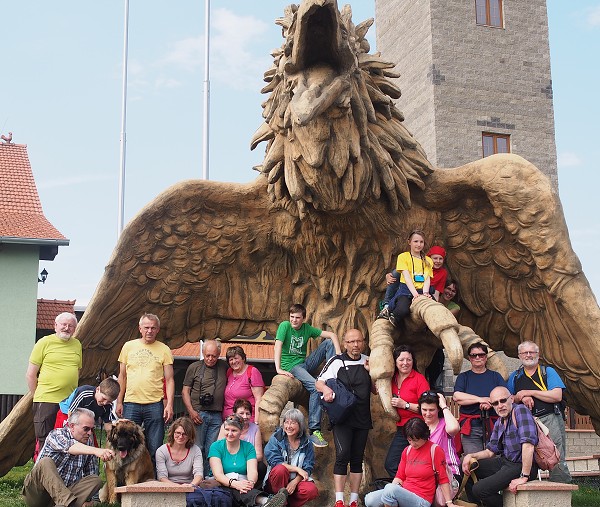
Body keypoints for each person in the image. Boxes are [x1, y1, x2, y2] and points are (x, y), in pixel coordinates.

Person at [316, 329, 373, 507]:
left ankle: (354, 500)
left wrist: (371, 372)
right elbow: (319, 382)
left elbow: (376, 390)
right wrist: (326, 391)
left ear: (363, 342)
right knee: (342, 455)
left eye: (358, 341)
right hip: (343, 418)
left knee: (357, 458)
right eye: (351, 342)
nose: (355, 345)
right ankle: (340, 500)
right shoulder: (336, 361)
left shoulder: (368, 360)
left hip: (363, 417)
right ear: (345, 343)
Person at [274, 303, 341, 448]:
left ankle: (333, 376)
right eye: (292, 317)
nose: (294, 320)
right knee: (316, 387)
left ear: (303, 318)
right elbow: (278, 345)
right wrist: (278, 368)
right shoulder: (285, 326)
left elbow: (332, 335)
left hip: (304, 364)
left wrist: (339, 354)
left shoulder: (307, 329)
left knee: (328, 343)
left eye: (297, 318)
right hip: (291, 367)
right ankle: (315, 430)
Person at [461, 386, 539, 507]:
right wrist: (470, 456)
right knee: (467, 468)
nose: (500, 405)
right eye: (495, 403)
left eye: (503, 400)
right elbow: (490, 451)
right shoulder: (500, 421)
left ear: (511, 399)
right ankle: (477, 505)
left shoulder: (520, 411)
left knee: (479, 490)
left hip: (522, 465)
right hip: (505, 462)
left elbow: (528, 445)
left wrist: (524, 476)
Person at [22, 408, 115, 507]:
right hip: (38, 494)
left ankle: (64, 504)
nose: (90, 433)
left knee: (95, 480)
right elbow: (71, 447)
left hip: (64, 493)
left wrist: (88, 500)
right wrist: (96, 450)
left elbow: (90, 472)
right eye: (86, 428)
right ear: (72, 426)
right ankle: (68, 504)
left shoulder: (88, 444)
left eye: (92, 429)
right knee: (45, 462)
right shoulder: (56, 434)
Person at [508, 340, 571, 483]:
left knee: (555, 457)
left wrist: (529, 392)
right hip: (526, 422)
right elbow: (510, 399)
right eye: (525, 352)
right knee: (527, 456)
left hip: (550, 419)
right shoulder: (515, 376)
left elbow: (557, 395)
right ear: (519, 355)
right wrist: (521, 397)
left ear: (538, 355)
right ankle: (531, 492)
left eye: (532, 352)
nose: (528, 355)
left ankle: (561, 496)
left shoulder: (548, 371)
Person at [116, 313, 175, 465]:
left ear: (158, 330)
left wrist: (169, 405)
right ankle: (127, 483)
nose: (149, 331)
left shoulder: (164, 349)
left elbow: (169, 379)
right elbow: (122, 376)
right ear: (140, 329)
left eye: (153, 328)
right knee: (126, 446)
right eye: (146, 327)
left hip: (154, 404)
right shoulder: (128, 346)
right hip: (130, 403)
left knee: (154, 447)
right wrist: (119, 401)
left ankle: (152, 481)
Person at [365, 417, 458, 507]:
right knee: (370, 499)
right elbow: (399, 476)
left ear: (424, 436)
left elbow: (443, 478)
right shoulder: (407, 450)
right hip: (404, 492)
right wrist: (391, 495)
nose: (412, 444)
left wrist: (449, 503)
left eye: (416, 440)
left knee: (390, 489)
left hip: (422, 499)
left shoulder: (435, 450)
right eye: (409, 440)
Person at [26, 312, 81, 457]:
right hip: (47, 400)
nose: (67, 328)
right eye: (63, 324)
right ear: (55, 326)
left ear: (75, 328)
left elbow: (77, 371)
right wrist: (37, 396)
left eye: (71, 326)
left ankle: (62, 475)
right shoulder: (44, 342)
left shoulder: (77, 344)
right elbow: (31, 374)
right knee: (45, 440)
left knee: (68, 438)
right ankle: (43, 475)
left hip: (69, 403)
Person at [209, 415, 288, 507]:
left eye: (234, 430)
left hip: (243, 483)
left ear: (241, 431)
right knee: (233, 491)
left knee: (242, 491)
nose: (229, 433)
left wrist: (250, 483)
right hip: (222, 483)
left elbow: (252, 471)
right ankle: (265, 500)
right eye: (227, 429)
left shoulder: (248, 447)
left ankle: (267, 503)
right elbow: (218, 475)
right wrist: (235, 484)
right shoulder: (216, 446)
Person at [183, 339, 229, 474]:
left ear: (219, 354)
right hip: (198, 413)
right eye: (207, 355)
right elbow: (185, 391)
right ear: (203, 352)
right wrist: (191, 411)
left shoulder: (224, 366)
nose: (210, 359)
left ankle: (210, 477)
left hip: (216, 415)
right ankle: (197, 477)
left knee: (212, 449)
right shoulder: (194, 367)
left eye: (214, 356)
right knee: (197, 448)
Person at [453, 342, 506, 455]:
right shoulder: (464, 377)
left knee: (495, 460)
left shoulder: (495, 376)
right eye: (473, 355)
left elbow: (505, 395)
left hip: (495, 425)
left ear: (486, 357)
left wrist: (491, 403)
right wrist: (480, 399)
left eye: (481, 355)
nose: (477, 357)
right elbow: (457, 396)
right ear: (469, 358)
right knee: (473, 460)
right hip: (471, 428)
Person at [384, 345, 430, 477]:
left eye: (409, 360)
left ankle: (410, 491)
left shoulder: (419, 379)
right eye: (401, 360)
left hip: (417, 428)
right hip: (401, 428)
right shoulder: (391, 378)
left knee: (399, 464)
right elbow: (376, 390)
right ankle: (406, 490)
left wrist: (406, 405)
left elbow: (427, 408)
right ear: (395, 362)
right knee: (392, 464)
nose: (405, 363)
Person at [263, 408, 319, 507]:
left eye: (293, 423)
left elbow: (308, 468)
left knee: (311, 490)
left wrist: (295, 482)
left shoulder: (307, 443)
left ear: (300, 425)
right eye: (286, 422)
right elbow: (275, 462)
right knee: (280, 469)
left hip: (295, 481)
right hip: (275, 483)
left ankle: (286, 504)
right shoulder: (276, 438)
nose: (288, 426)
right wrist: (297, 469)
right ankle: (278, 500)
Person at [156, 416, 212, 507]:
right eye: (178, 433)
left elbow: (199, 473)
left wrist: (191, 485)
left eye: (184, 434)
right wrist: (178, 488)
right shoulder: (161, 451)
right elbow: (162, 477)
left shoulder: (195, 450)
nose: (181, 437)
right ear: (172, 432)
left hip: (190, 487)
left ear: (190, 436)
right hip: (168, 488)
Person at [379, 245, 447, 318]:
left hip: (426, 293)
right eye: (435, 258)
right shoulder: (418, 263)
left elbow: (436, 292)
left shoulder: (443, 273)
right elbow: (401, 273)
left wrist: (435, 304)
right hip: (407, 290)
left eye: (440, 259)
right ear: (429, 258)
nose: (438, 261)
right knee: (395, 273)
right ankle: (386, 305)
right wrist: (389, 275)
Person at [385, 230, 434, 327]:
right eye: (416, 241)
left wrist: (425, 293)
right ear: (409, 242)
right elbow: (407, 277)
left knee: (435, 309)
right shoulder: (403, 257)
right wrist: (415, 295)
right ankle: (392, 316)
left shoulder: (428, 260)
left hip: (422, 291)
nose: (418, 244)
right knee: (402, 310)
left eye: (421, 242)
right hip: (407, 291)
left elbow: (427, 278)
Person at [217, 399, 266, 483]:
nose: (245, 417)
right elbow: (219, 448)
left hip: (249, 463)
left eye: (248, 413)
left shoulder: (255, 428)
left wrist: (243, 462)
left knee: (261, 467)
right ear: (234, 414)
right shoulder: (225, 427)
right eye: (241, 413)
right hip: (228, 461)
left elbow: (259, 455)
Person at [418, 391, 461, 480]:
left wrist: (444, 406)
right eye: (424, 410)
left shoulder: (445, 423)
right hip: (426, 474)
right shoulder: (419, 426)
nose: (428, 414)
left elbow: (454, 429)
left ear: (438, 409)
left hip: (449, 473)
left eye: (432, 410)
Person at [55, 377, 120, 431]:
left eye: (109, 401)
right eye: (104, 398)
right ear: (97, 389)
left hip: (86, 420)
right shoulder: (84, 393)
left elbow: (108, 423)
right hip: (66, 414)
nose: (105, 403)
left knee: (89, 441)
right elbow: (71, 413)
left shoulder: (108, 405)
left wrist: (113, 432)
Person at [223, 346, 265, 423]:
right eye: (231, 359)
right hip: (229, 422)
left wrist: (256, 422)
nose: (234, 361)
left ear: (243, 358)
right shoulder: (229, 372)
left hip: (245, 421)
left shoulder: (252, 372)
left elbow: (259, 399)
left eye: (236, 358)